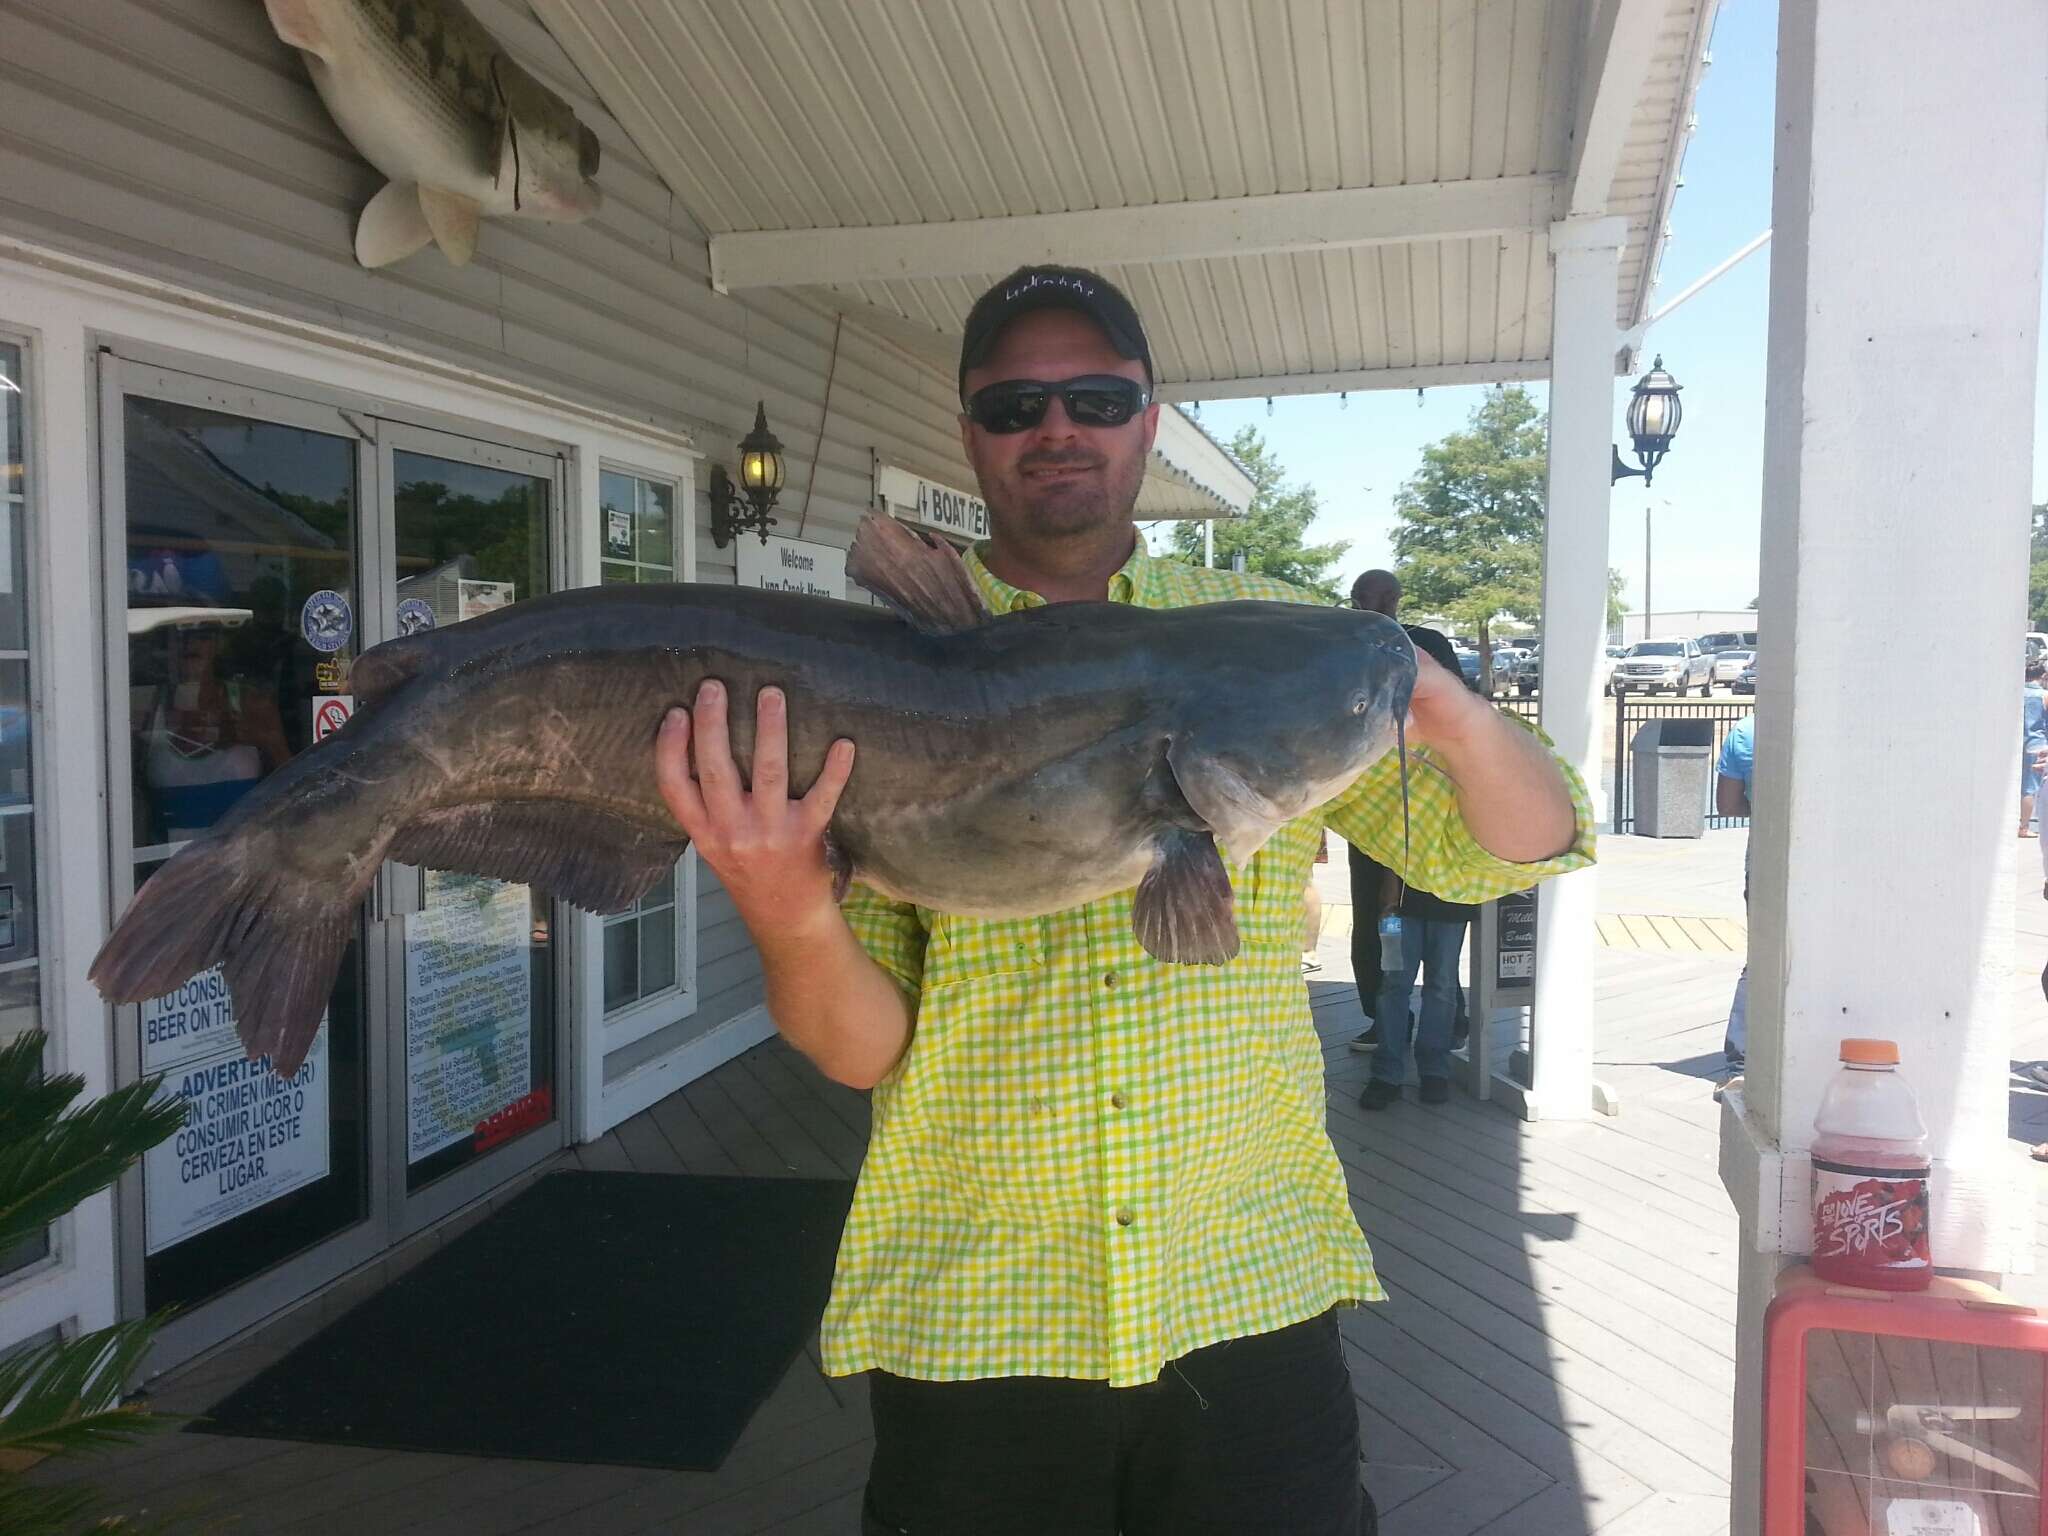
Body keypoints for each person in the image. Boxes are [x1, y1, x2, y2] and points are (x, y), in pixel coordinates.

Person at [652, 263, 1594, 1536]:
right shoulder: (876, 676)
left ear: (1149, 421)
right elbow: (862, 1047)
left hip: (1244, 1286)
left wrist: (1454, 716)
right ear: (969, 435)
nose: (1058, 427)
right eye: (1015, 404)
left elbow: (1509, 855)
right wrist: (780, 902)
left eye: (1096, 397)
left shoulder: (1267, 647)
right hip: (980, 1305)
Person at [1343, 573, 1472, 1057]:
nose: (1374, 607)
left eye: (1383, 599)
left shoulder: (1426, 644)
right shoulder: (1343, 642)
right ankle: (1383, 1020)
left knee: (1434, 916)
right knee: (1376, 919)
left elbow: (1458, 705)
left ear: (1398, 599)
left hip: (1424, 810)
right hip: (1368, 811)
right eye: (1365, 600)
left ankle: (1450, 1020)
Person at [1717, 714, 1756, 1069]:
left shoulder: (1743, 733)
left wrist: (1761, 810)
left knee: (1759, 957)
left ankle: (1741, 1058)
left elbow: (1727, 805)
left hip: (1762, 860)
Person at [2024, 660, 2046, 837]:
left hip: (2019, 742)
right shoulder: (2043, 695)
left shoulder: (2019, 693)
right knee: (2031, 787)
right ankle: (2024, 826)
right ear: (2042, 676)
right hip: (2037, 743)